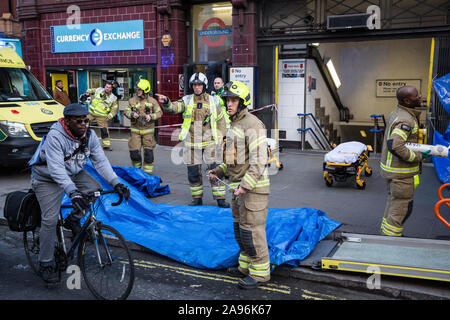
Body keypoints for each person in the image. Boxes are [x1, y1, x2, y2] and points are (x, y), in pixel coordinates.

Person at [30, 103, 130, 284]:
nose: (84, 124)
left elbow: (101, 162)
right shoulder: (55, 136)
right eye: (79, 121)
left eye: (86, 120)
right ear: (67, 122)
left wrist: (117, 183)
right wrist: (73, 192)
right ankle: (45, 262)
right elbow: (56, 169)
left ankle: (74, 219)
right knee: (50, 220)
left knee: (95, 191)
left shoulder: (89, 135)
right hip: (47, 177)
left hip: (72, 172)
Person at [208, 80, 271, 289]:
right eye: (227, 100)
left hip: (253, 190)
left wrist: (245, 185)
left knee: (252, 231)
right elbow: (234, 162)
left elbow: (259, 160)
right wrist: (218, 171)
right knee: (240, 230)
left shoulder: (252, 124)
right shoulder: (235, 124)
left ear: (243, 102)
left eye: (234, 100)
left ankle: (260, 273)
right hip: (238, 189)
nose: (229, 104)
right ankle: (245, 267)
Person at [155, 72, 229, 207]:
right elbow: (174, 108)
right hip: (192, 142)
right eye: (194, 85)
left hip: (210, 142)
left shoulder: (214, 101)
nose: (197, 87)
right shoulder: (187, 100)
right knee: (193, 172)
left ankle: (220, 199)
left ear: (204, 85)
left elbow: (221, 121)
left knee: (216, 170)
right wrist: (166, 102)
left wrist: (221, 138)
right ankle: (197, 198)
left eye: (199, 84)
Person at [380, 86, 429, 237]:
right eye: (416, 96)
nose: (420, 96)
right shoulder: (406, 119)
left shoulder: (398, 112)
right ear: (407, 101)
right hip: (401, 174)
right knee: (401, 208)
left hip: (392, 171)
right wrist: (417, 157)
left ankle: (386, 232)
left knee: (393, 203)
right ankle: (391, 239)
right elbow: (395, 145)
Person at [124, 78, 162, 174]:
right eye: (138, 89)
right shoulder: (132, 100)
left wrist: (151, 116)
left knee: (148, 154)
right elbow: (126, 111)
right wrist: (132, 114)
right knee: (134, 153)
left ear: (145, 91)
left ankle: (147, 174)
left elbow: (159, 113)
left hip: (148, 132)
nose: (138, 91)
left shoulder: (153, 101)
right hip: (135, 131)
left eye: (140, 90)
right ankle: (137, 172)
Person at [85, 81, 118, 151]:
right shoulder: (99, 89)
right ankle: (83, 142)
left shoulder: (113, 98)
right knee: (83, 123)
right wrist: (88, 91)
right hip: (91, 113)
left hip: (102, 116)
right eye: (106, 87)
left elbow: (114, 108)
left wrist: (110, 115)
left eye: (109, 87)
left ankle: (106, 145)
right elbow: (92, 90)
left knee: (104, 131)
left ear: (111, 88)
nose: (107, 88)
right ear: (104, 87)